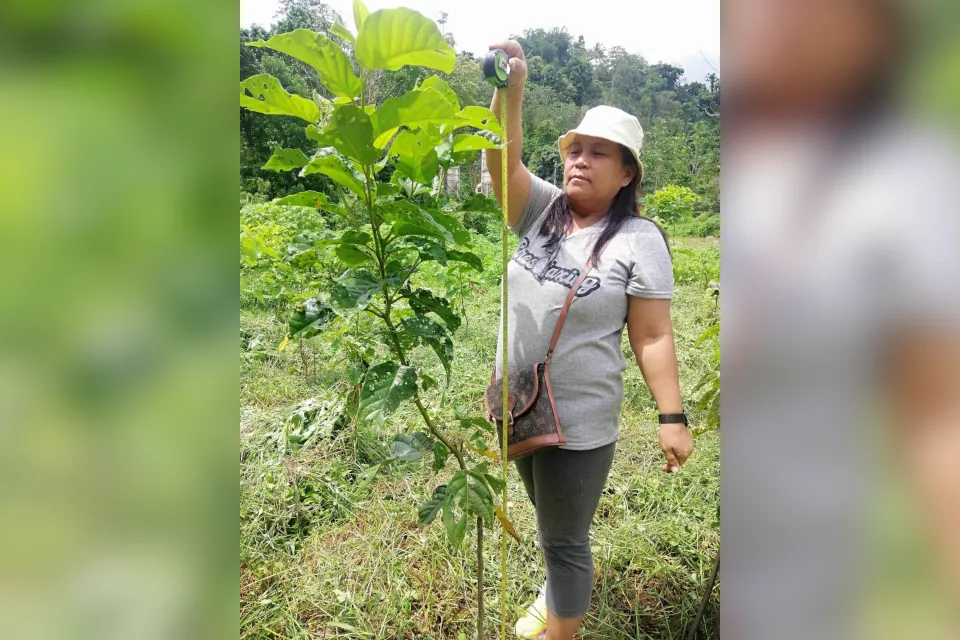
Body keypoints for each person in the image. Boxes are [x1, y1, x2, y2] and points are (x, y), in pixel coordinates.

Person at [485, 40, 694, 640]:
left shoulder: (637, 238)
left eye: (599, 153)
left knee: (566, 540)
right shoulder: (542, 211)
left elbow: (652, 335)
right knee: (549, 519)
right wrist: (511, 87)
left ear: (627, 172)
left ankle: (560, 629)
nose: (580, 160)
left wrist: (671, 414)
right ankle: (553, 593)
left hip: (578, 419)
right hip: (518, 401)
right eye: (575, 149)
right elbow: (498, 161)